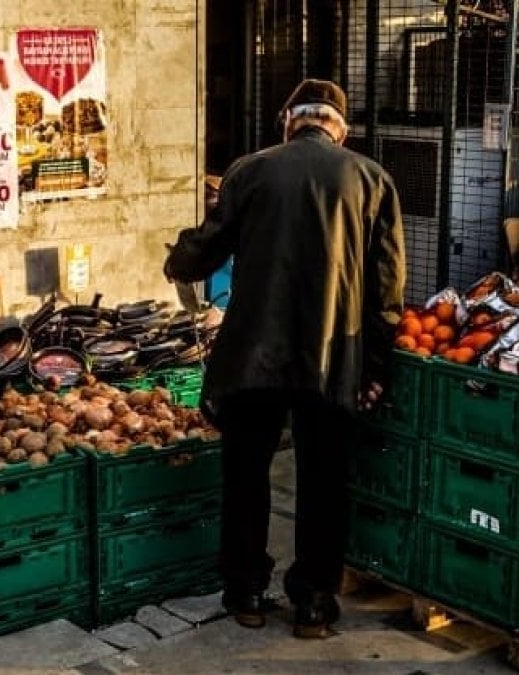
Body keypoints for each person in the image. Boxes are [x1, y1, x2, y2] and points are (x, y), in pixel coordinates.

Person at [163, 78, 406, 638]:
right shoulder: (373, 180)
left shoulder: (251, 170)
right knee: (323, 480)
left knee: (247, 473)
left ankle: (245, 591)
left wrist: (176, 261)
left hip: (253, 356)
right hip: (331, 358)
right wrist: (376, 368)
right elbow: (387, 292)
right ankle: (314, 604)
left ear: (289, 120)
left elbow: (203, 251)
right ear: (339, 128)